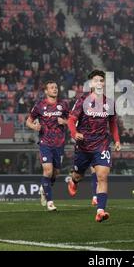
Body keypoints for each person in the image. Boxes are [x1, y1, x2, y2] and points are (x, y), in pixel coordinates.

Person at [66, 70, 121, 222]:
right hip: (84, 145)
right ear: (91, 83)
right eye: (96, 80)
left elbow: (113, 123)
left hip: (102, 144)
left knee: (102, 176)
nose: (99, 83)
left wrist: (116, 140)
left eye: (101, 80)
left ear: (103, 84)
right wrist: (74, 133)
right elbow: (71, 120)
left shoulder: (109, 102)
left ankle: (100, 211)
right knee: (79, 175)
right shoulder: (82, 100)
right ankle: (74, 181)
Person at [26, 80, 69, 212]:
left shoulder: (64, 105)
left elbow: (73, 120)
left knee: (55, 173)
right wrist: (34, 126)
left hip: (59, 143)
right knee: (48, 171)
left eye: (56, 87)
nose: (55, 89)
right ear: (46, 91)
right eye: (52, 87)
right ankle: (50, 202)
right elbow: (29, 121)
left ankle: (43, 189)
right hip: (45, 142)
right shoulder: (40, 105)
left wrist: (65, 121)